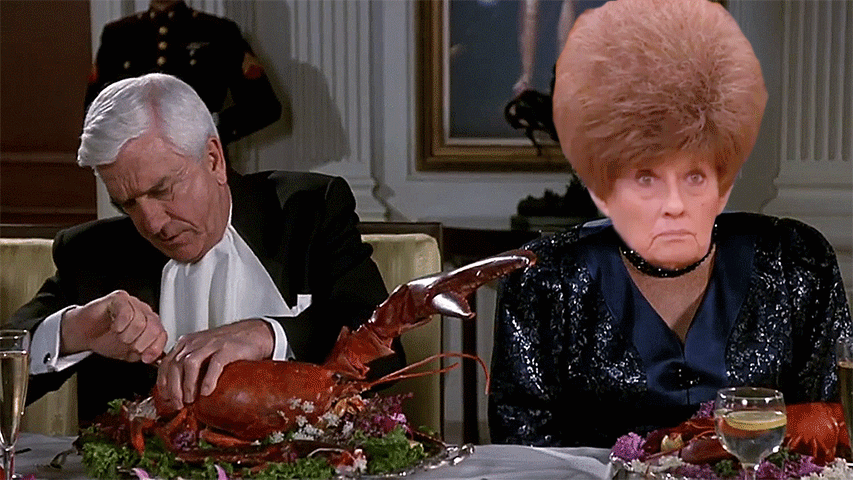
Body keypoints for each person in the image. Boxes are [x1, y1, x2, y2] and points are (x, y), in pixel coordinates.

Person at [488, 0, 852, 448]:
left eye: (695, 176)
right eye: (646, 178)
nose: (674, 204)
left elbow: (837, 432)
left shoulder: (796, 262)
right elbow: (524, 456)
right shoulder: (542, 279)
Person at [10, 73, 401, 424]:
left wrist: (268, 334)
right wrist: (74, 331)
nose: (152, 223)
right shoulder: (92, 253)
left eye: (163, 190)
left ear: (214, 159)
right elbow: (6, 358)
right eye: (127, 204)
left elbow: (388, 353)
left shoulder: (308, 210)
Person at [85, 0, 281, 146]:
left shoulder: (218, 31)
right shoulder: (118, 34)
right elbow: (94, 108)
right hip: (135, 162)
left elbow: (264, 106)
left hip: (199, 160)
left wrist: (210, 128)